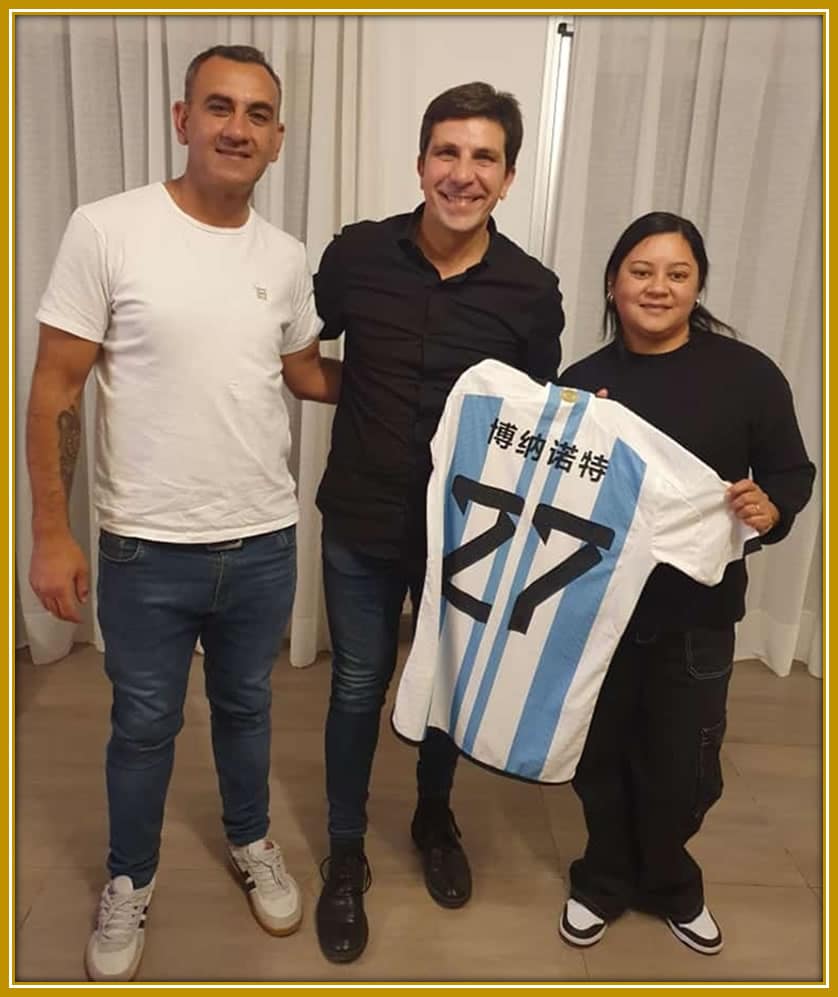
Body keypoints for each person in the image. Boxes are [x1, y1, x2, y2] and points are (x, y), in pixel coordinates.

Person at [26, 45, 340, 983]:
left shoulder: (284, 259)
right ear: (182, 118)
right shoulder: (108, 228)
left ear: (278, 139)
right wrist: (49, 530)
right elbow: (53, 389)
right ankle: (130, 878)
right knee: (145, 723)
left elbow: (301, 373)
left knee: (247, 708)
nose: (237, 128)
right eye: (219, 107)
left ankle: (251, 840)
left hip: (262, 539)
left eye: (257, 115)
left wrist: (421, 385)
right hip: (143, 547)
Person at [311, 81, 565, 963]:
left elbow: (535, 419)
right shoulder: (354, 256)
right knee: (356, 684)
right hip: (360, 516)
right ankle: (346, 852)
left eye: (483, 157)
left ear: (508, 176)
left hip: (468, 534)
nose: (462, 173)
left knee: (449, 685)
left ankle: (432, 815)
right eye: (447, 153)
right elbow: (302, 352)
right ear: (421, 163)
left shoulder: (533, 291)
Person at [556, 211, 815, 955]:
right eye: (641, 271)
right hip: (599, 611)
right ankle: (601, 877)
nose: (657, 287)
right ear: (613, 282)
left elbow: (791, 473)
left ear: (698, 285)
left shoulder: (748, 375)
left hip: (698, 615)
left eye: (677, 273)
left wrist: (773, 508)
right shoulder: (582, 385)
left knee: (685, 767)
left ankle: (672, 881)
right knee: (600, 755)